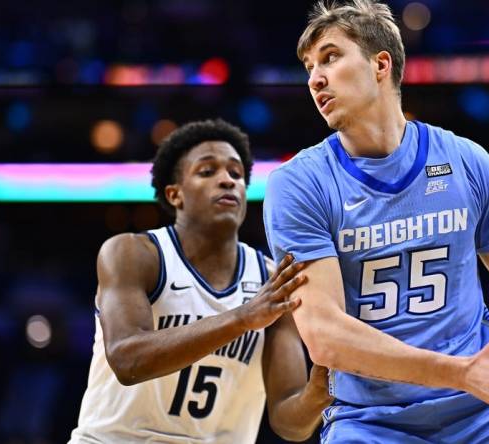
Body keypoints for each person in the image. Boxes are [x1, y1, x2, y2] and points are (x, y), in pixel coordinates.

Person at [263, 1, 489, 442]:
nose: (314, 78)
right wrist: (463, 372)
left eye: (331, 57)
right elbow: (326, 337)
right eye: (308, 66)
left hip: (487, 408)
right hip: (371, 421)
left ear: (381, 65)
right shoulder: (299, 184)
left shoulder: (464, 158)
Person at [70, 119, 332, 443]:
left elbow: (289, 422)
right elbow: (128, 359)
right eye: (207, 171)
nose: (227, 181)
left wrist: (319, 393)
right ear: (175, 194)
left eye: (236, 174)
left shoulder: (270, 281)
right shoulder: (134, 254)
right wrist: (241, 318)